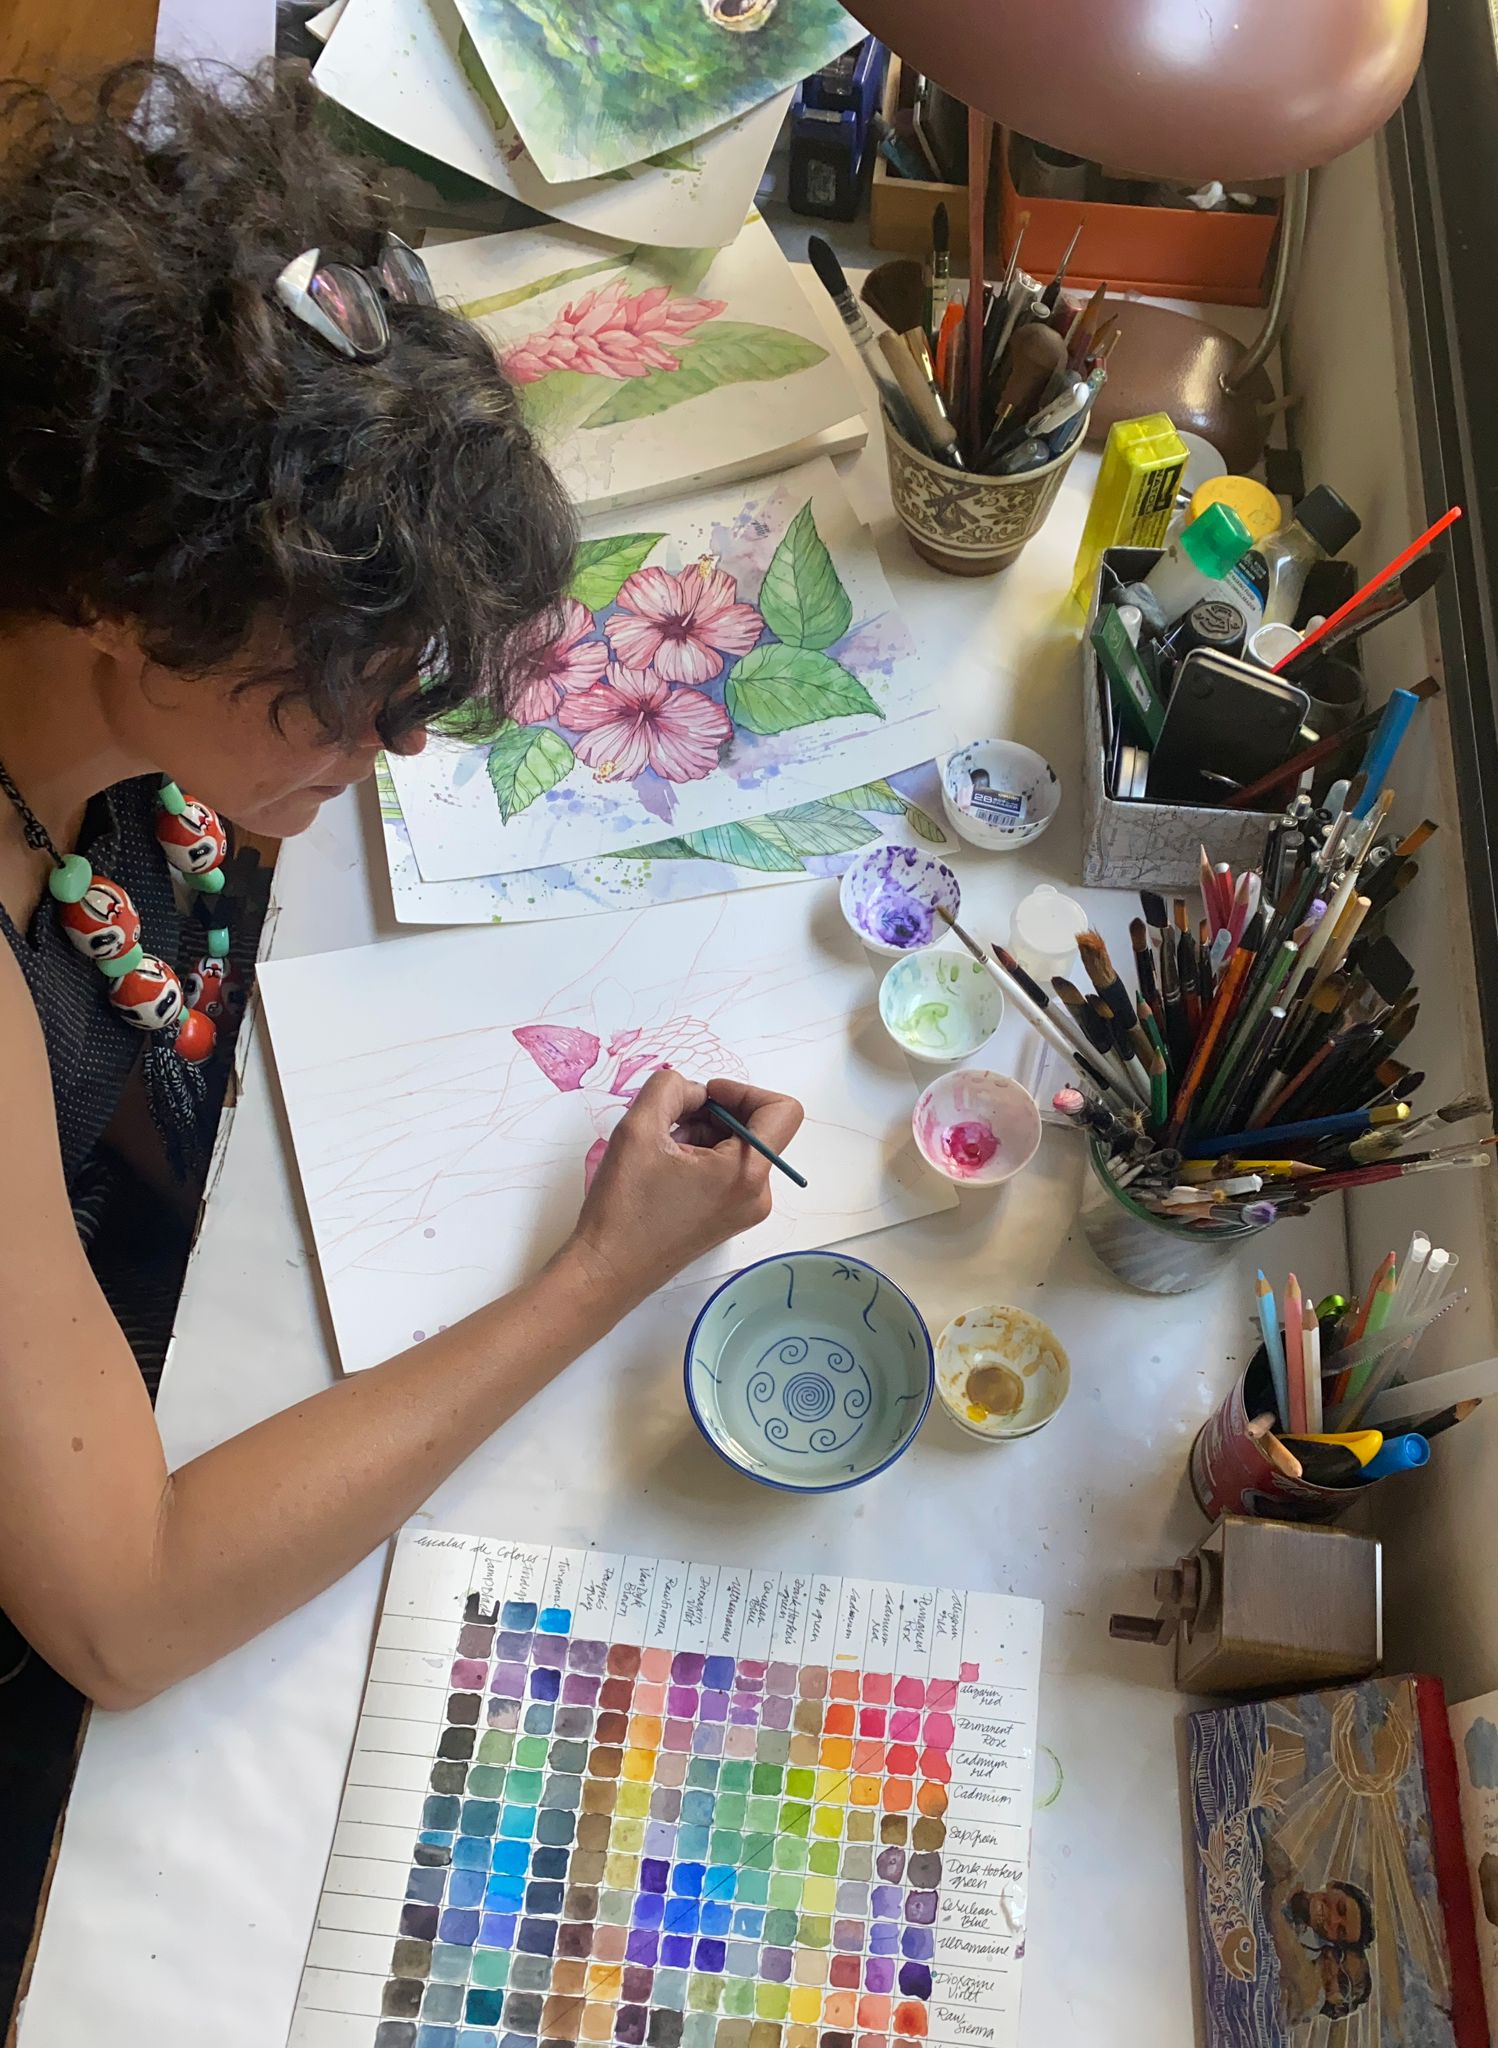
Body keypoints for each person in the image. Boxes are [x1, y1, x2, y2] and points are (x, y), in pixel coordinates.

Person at [0, 63, 803, 1714]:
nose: (397, 750)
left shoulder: (83, 668)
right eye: (347, 691)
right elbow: (128, 1614)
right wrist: (600, 1274)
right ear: (122, 599)